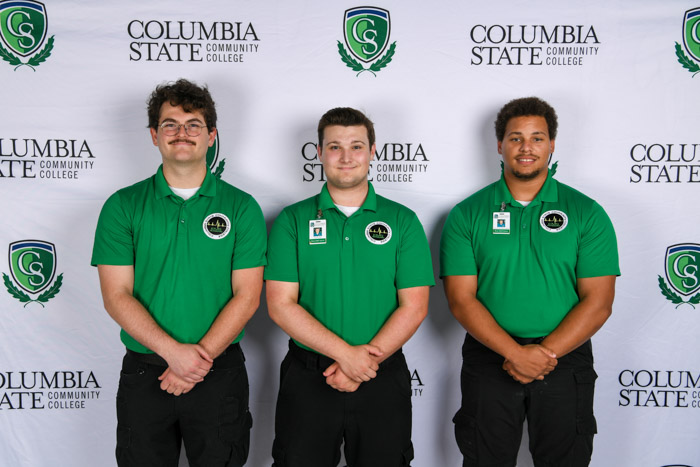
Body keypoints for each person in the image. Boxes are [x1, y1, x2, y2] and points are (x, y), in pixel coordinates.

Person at [91, 79, 266, 466]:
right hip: (146, 371)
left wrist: (196, 360)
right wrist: (174, 354)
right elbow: (116, 295)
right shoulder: (122, 206)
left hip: (219, 372)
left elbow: (248, 295)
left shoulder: (242, 207)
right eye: (170, 124)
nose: (181, 133)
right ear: (154, 135)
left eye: (193, 124)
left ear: (211, 135)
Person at [440, 97, 619, 467]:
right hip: (489, 359)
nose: (526, 148)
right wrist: (515, 353)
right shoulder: (466, 214)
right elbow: (461, 300)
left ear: (552, 145)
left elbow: (598, 302)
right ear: (500, 145)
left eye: (537, 138)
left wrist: (542, 355)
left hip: (564, 360)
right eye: (515, 138)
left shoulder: (587, 212)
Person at [265, 107, 434, 467]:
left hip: (382, 376)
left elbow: (415, 306)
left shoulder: (402, 221)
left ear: (373, 152)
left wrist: (363, 363)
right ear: (319, 152)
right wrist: (348, 356)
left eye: (356, 146)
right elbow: (281, 304)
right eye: (335, 147)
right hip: (309, 377)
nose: (346, 157)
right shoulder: (292, 220)